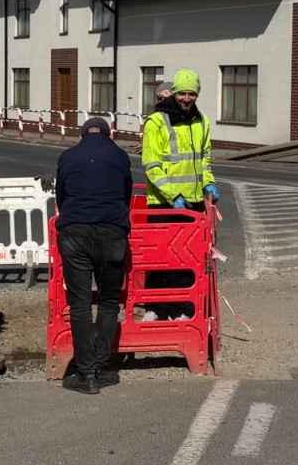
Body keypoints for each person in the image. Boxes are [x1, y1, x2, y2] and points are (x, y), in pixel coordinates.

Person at [54, 114, 132, 394]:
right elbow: (126, 196)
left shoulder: (68, 156)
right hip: (112, 232)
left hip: (75, 233)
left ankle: (85, 375)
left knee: (81, 304)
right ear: (110, 135)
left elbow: (60, 196)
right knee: (109, 302)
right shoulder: (121, 156)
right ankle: (101, 368)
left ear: (82, 136)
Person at [141, 69, 220, 217]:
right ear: (174, 93)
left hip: (194, 202)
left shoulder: (202, 121)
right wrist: (173, 196)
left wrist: (209, 182)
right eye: (182, 93)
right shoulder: (156, 122)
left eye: (192, 94)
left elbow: (204, 159)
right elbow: (152, 166)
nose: (187, 98)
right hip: (163, 203)